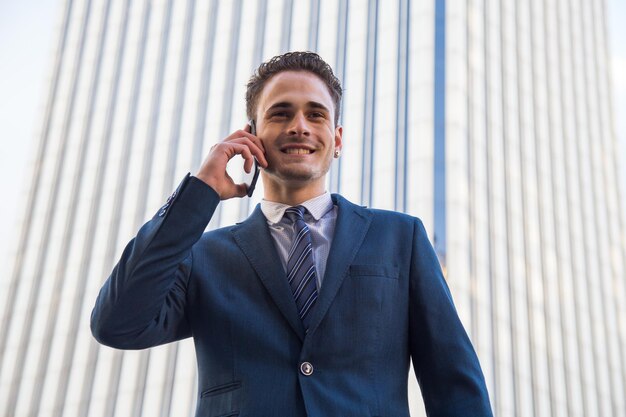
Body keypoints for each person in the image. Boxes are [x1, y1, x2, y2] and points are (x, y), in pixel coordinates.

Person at [91, 51, 493, 417]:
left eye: (316, 114)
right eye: (280, 113)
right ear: (251, 134)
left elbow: (454, 385)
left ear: (336, 140)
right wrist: (199, 193)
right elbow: (116, 324)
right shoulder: (204, 256)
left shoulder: (400, 237)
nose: (299, 126)